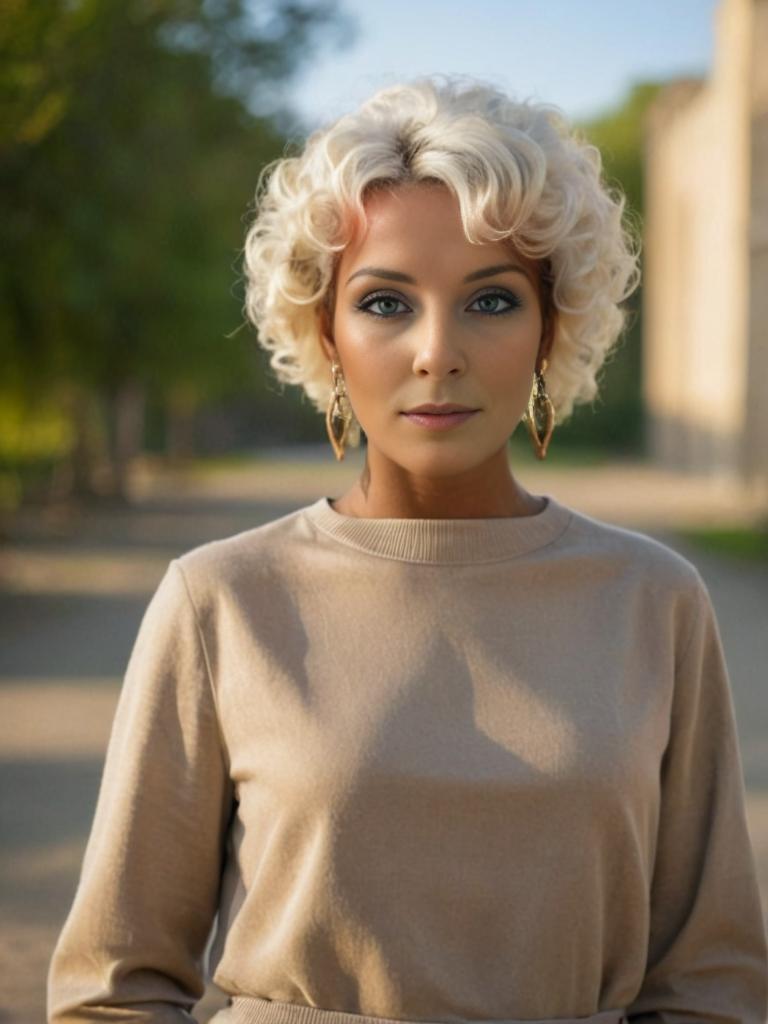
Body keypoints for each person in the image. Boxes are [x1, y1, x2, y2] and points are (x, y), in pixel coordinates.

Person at [47, 74, 768, 1024]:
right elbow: (114, 988)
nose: (437, 351)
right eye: (386, 304)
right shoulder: (219, 600)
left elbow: (710, 986)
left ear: (554, 329)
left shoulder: (655, 600)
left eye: (492, 302)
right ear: (324, 331)